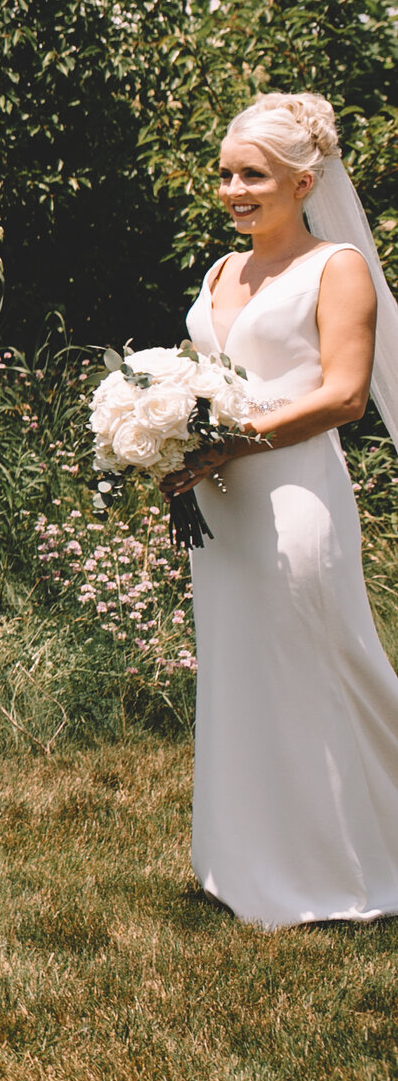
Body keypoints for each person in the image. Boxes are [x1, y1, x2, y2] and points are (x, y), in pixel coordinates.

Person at [163, 92, 398, 927]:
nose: (234, 189)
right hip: (222, 509)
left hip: (295, 496)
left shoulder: (337, 268)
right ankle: (251, 861)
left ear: (304, 181)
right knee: (244, 674)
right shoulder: (221, 272)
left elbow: (342, 397)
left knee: (323, 666)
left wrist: (233, 443)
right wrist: (170, 445)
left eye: (253, 174)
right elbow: (204, 387)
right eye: (226, 173)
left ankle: (349, 863)